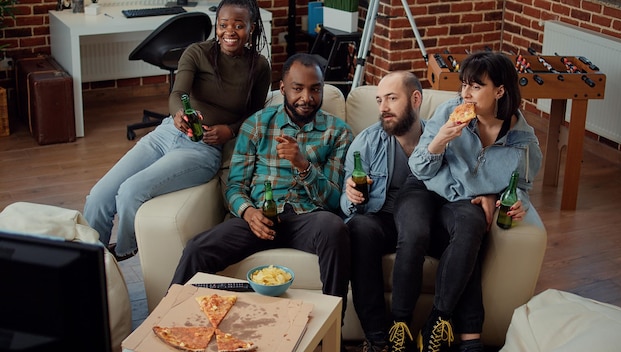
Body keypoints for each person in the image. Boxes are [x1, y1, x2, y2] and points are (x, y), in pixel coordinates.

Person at [83, 0, 271, 261]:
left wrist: (229, 130)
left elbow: (256, 115)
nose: (230, 32)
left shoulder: (259, 66)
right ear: (216, 26)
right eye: (223, 24)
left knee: (130, 192)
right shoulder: (197, 52)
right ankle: (89, 265)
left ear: (251, 28)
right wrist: (177, 115)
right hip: (166, 135)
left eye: (239, 26)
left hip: (202, 150)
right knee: (98, 197)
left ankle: (122, 252)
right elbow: (177, 94)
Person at [170, 53, 354, 318]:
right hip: (258, 219)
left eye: (315, 89)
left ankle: (331, 331)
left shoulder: (338, 132)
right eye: (298, 88)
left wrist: (303, 165)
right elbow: (234, 186)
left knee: (334, 228)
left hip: (308, 219)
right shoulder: (257, 124)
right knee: (198, 248)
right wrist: (248, 212)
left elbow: (335, 200)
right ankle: (173, 319)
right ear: (282, 88)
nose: (307, 98)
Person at [390, 51, 543, 352]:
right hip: (423, 186)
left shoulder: (524, 143)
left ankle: (438, 320)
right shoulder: (450, 111)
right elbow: (418, 168)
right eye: (464, 85)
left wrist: (511, 200)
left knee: (473, 225)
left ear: (499, 91)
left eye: (475, 86)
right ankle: (400, 325)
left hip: (463, 201)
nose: (465, 94)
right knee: (415, 232)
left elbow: (521, 185)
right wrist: (440, 140)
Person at [340, 71, 425, 352]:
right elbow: (347, 198)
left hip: (424, 223)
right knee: (358, 228)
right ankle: (377, 339)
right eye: (379, 100)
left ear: (415, 99)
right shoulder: (368, 141)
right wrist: (351, 194)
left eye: (391, 98)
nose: (383, 108)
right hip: (383, 220)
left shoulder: (436, 139)